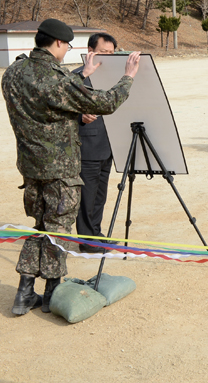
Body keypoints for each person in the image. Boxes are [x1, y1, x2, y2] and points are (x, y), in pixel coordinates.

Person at [1, 18, 140, 316]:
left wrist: (85, 74)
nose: (66, 51)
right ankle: (52, 293)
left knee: (41, 227)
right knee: (58, 231)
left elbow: (47, 100)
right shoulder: (57, 79)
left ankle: (25, 292)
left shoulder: (13, 72)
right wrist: (127, 77)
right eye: (66, 46)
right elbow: (105, 102)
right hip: (59, 170)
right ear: (59, 43)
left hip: (30, 167)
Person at [73, 33, 119, 254]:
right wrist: (79, 116)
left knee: (100, 196)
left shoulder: (115, 78)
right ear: (90, 51)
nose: (107, 57)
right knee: (87, 197)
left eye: (111, 53)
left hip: (108, 146)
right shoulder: (75, 78)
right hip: (87, 148)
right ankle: (87, 241)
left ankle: (96, 235)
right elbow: (58, 110)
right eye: (103, 52)